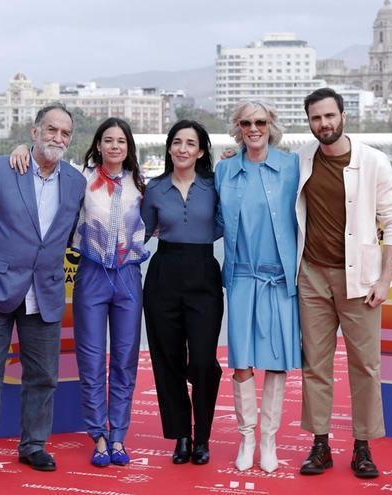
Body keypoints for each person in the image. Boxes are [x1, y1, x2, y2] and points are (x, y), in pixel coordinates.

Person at [11, 117, 148, 468]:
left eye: (121, 140)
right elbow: (44, 174)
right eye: (108, 140)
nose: (115, 146)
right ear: (98, 145)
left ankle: (118, 435)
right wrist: (21, 150)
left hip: (129, 277)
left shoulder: (144, 185)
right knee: (90, 360)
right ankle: (98, 436)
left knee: (124, 360)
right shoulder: (79, 181)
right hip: (91, 275)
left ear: (128, 146)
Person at [0, 103, 87, 474]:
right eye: (51, 129)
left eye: (65, 133)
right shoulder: (2, 169)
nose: (57, 138)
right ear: (34, 132)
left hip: (45, 292)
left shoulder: (76, 182)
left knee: (44, 376)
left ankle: (33, 445)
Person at [295, 88, 392, 479]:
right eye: (315, 118)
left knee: (365, 366)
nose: (323, 124)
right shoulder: (303, 159)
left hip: (360, 280)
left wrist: (385, 278)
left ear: (343, 115)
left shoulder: (373, 161)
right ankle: (320, 445)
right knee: (315, 366)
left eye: (328, 116)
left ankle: (363, 446)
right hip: (311, 276)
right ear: (309, 122)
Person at [215, 101, 300, 473]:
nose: (254, 128)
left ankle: (269, 438)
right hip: (241, 277)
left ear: (271, 125)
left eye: (261, 121)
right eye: (246, 122)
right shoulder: (224, 169)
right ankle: (247, 435)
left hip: (280, 279)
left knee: (276, 362)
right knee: (242, 361)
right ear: (237, 127)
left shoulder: (292, 166)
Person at [141, 120, 224, 465]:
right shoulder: (155, 188)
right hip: (163, 275)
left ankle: (203, 434)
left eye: (191, 143)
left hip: (204, 274)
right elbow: (140, 232)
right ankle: (183, 436)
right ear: (169, 148)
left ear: (201, 150)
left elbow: (224, 224)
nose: (183, 149)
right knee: (168, 360)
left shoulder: (216, 185)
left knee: (204, 361)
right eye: (177, 142)